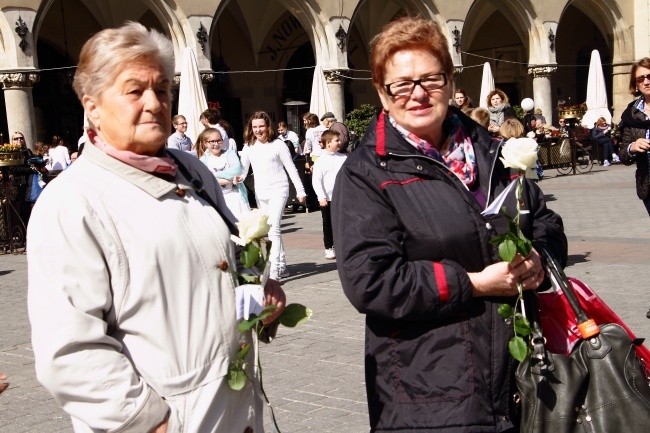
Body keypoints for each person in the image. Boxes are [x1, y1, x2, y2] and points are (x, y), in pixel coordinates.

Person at [27, 22, 285, 433]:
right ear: (92, 107)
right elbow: (70, 352)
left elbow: (228, 258)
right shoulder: (71, 202)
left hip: (236, 412)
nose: (154, 102)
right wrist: (151, 422)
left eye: (162, 89)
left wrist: (259, 293)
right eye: (134, 90)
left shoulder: (192, 171)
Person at [331, 16, 567, 433]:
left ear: (451, 81)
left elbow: (543, 220)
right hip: (431, 394)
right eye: (401, 84)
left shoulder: (493, 150)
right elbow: (372, 282)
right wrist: (475, 283)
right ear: (382, 95)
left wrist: (538, 262)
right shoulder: (365, 173)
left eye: (431, 79)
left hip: (525, 378)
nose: (418, 93)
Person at [238, 111, 306, 281]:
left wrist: (300, 190)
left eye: (261, 126)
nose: (258, 130)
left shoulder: (278, 145)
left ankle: (274, 271)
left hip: (279, 189)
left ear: (268, 126)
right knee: (271, 229)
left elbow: (291, 168)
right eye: (255, 127)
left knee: (274, 227)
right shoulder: (248, 147)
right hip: (261, 191)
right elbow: (243, 170)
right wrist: (236, 178)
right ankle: (282, 265)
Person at [198, 127, 250, 220]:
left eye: (219, 140)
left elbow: (236, 170)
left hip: (235, 197)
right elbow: (205, 180)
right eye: (212, 141)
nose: (216, 144)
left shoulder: (229, 154)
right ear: (205, 143)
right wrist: (230, 179)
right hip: (216, 200)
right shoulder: (203, 160)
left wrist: (213, 175)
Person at [311, 130, 346, 260]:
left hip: (341, 197)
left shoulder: (343, 158)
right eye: (336, 140)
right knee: (328, 223)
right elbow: (316, 180)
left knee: (342, 222)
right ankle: (329, 247)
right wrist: (321, 196)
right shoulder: (320, 161)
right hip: (327, 198)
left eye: (339, 140)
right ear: (328, 143)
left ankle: (341, 245)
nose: (340, 142)